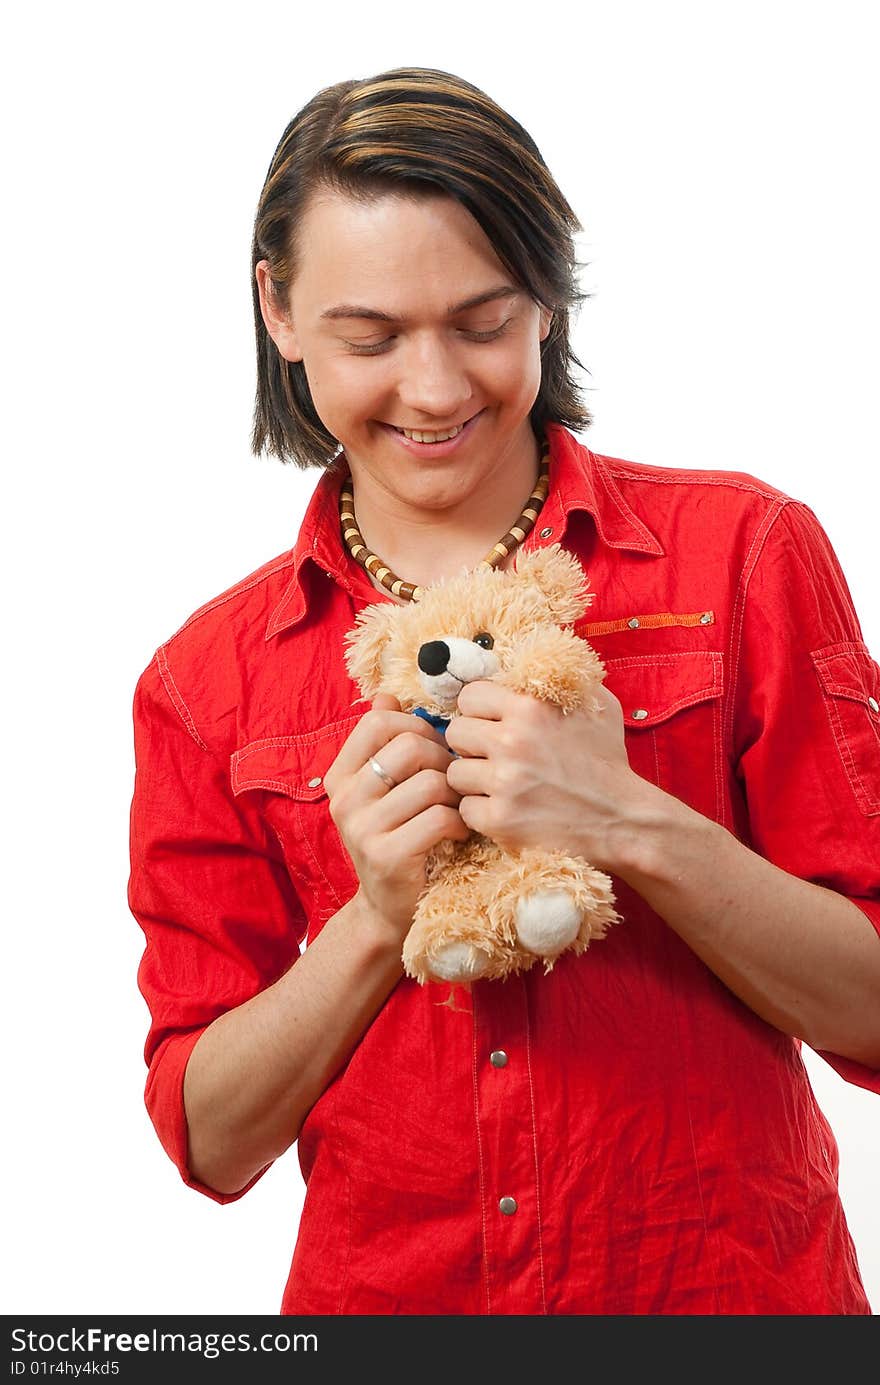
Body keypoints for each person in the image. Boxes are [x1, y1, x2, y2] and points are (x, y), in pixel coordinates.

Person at [127, 66, 880, 1316]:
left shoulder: (744, 555)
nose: (433, 389)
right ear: (279, 310)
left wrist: (626, 817)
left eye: (481, 322)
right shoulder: (206, 680)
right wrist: (375, 917)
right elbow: (210, 1141)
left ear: (546, 296)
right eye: (370, 337)